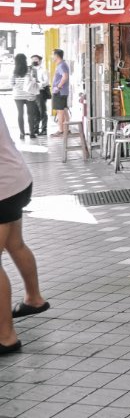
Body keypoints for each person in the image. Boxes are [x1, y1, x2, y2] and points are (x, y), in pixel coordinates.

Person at [1, 108, 50, 356]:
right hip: (16, 180)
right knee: (15, 244)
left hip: (2, 187)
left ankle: (6, 337)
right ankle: (34, 298)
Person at [9, 54, 41, 140]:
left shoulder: (14, 71)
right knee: (30, 114)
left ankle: (22, 133)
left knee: (20, 114)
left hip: (18, 95)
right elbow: (36, 81)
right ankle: (32, 133)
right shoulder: (30, 69)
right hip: (29, 94)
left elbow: (11, 84)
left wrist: (18, 86)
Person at [50, 49, 70, 137]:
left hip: (60, 92)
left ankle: (61, 130)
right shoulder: (62, 64)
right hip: (62, 92)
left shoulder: (61, 65)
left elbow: (65, 77)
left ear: (56, 56)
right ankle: (66, 129)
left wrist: (58, 87)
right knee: (64, 110)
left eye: (52, 55)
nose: (51, 57)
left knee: (60, 111)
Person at [31, 55, 49, 136]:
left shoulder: (43, 70)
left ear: (40, 61)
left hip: (41, 92)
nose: (34, 61)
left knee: (42, 111)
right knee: (34, 111)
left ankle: (44, 129)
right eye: (32, 60)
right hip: (32, 92)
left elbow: (46, 82)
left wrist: (38, 84)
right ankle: (35, 129)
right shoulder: (30, 70)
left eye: (36, 59)